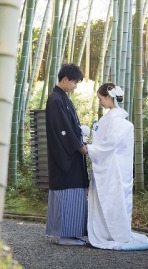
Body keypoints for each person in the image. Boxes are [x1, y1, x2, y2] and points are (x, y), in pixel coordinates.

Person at [86, 82, 148, 251]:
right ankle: (111, 232)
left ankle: (111, 233)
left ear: (109, 97)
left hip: (113, 168)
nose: (100, 102)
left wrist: (89, 149)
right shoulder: (116, 119)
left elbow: (110, 144)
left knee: (113, 199)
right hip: (117, 167)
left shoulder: (117, 121)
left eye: (101, 98)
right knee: (116, 200)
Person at [45, 63, 88, 246]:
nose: (75, 86)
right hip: (64, 156)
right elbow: (63, 129)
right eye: (75, 82)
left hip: (68, 154)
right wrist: (79, 146)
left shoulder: (62, 98)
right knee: (68, 191)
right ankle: (66, 235)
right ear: (65, 80)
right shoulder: (56, 99)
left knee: (73, 192)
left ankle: (71, 233)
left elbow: (71, 126)